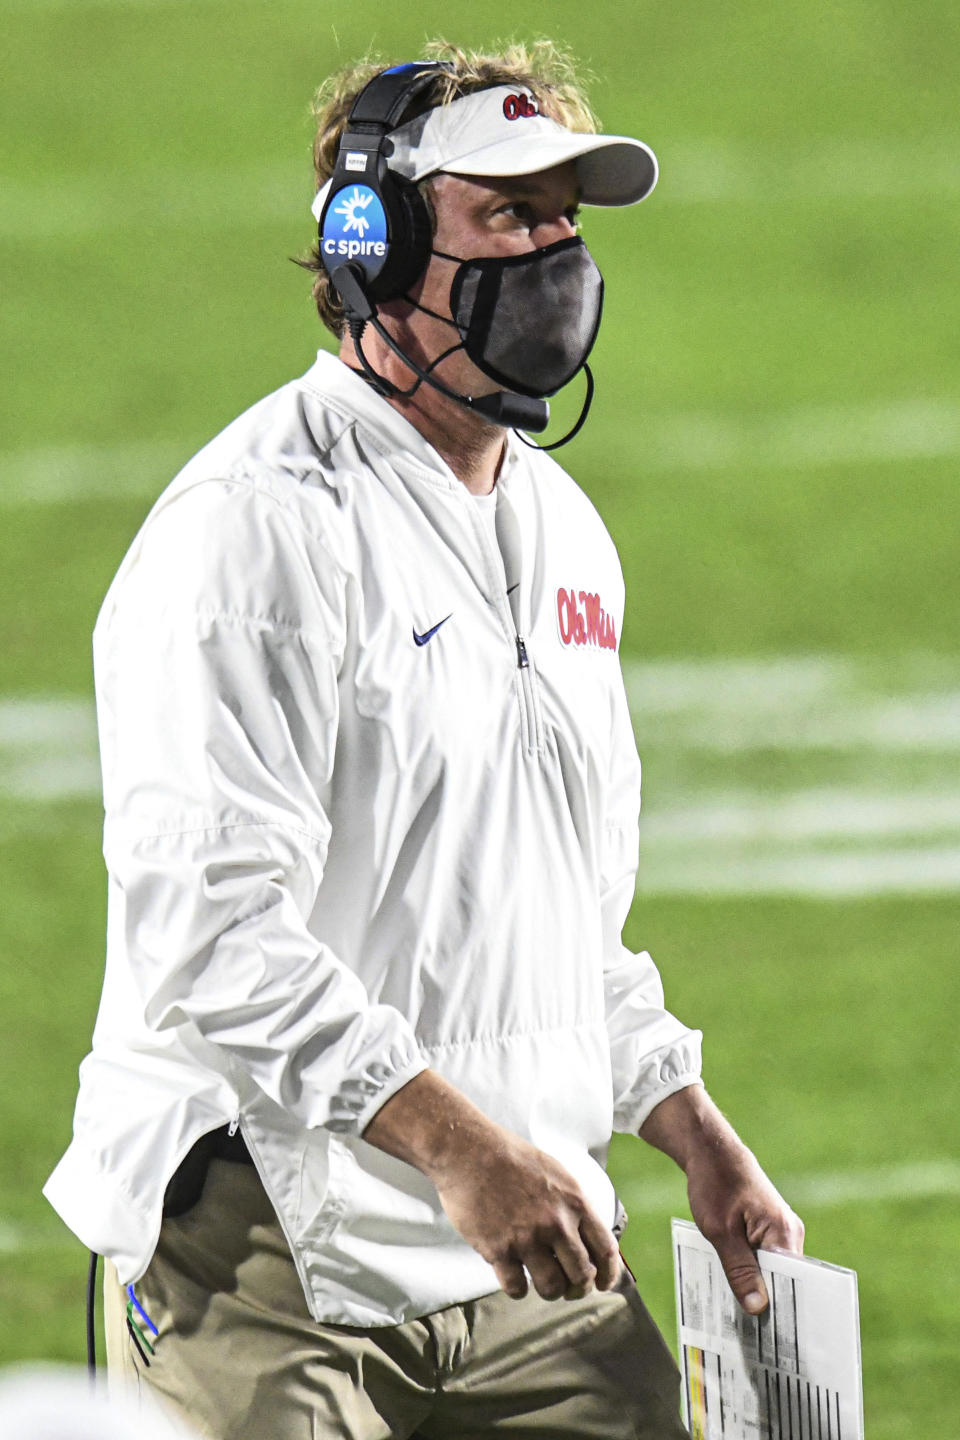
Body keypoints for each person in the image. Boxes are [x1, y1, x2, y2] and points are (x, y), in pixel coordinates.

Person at [45, 41, 803, 1440]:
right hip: (270, 1251)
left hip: (525, 1234)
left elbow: (559, 904)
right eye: (508, 216)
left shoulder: (562, 527)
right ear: (370, 244)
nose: (555, 253)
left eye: (565, 216)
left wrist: (682, 1117)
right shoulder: (256, 528)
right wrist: (462, 1150)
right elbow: (211, 932)